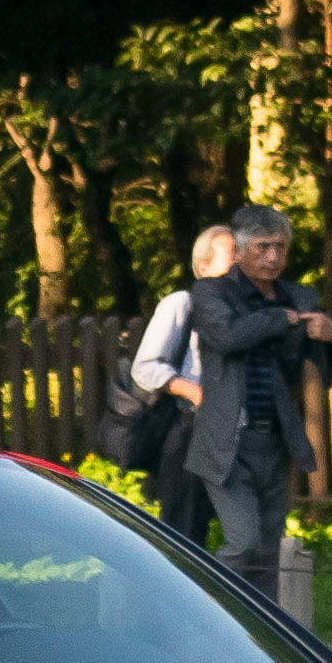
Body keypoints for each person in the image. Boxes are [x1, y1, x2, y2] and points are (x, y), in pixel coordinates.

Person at [186, 205, 332, 582]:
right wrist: (281, 319)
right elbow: (228, 337)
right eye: (262, 247)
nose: (273, 257)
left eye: (280, 247)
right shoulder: (212, 291)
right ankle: (213, 609)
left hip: (275, 438)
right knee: (242, 542)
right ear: (239, 252)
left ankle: (260, 634)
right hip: (227, 439)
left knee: (267, 551)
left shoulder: (298, 296)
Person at [131, 225, 234, 543]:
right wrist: (194, 390)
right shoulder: (181, 305)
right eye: (232, 255)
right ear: (204, 268)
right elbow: (146, 366)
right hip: (190, 433)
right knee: (185, 535)